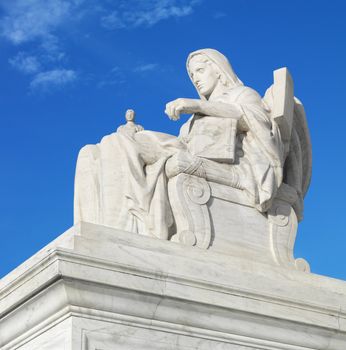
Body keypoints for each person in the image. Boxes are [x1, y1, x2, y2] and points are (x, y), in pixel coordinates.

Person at [74, 49, 284, 239]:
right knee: (92, 151)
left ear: (218, 70)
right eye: (193, 75)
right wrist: (138, 135)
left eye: (200, 70)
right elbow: (185, 142)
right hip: (183, 149)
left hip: (229, 162)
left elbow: (255, 121)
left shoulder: (242, 94)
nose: (196, 79)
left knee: (120, 144)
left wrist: (196, 105)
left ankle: (129, 227)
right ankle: (100, 226)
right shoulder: (198, 114)